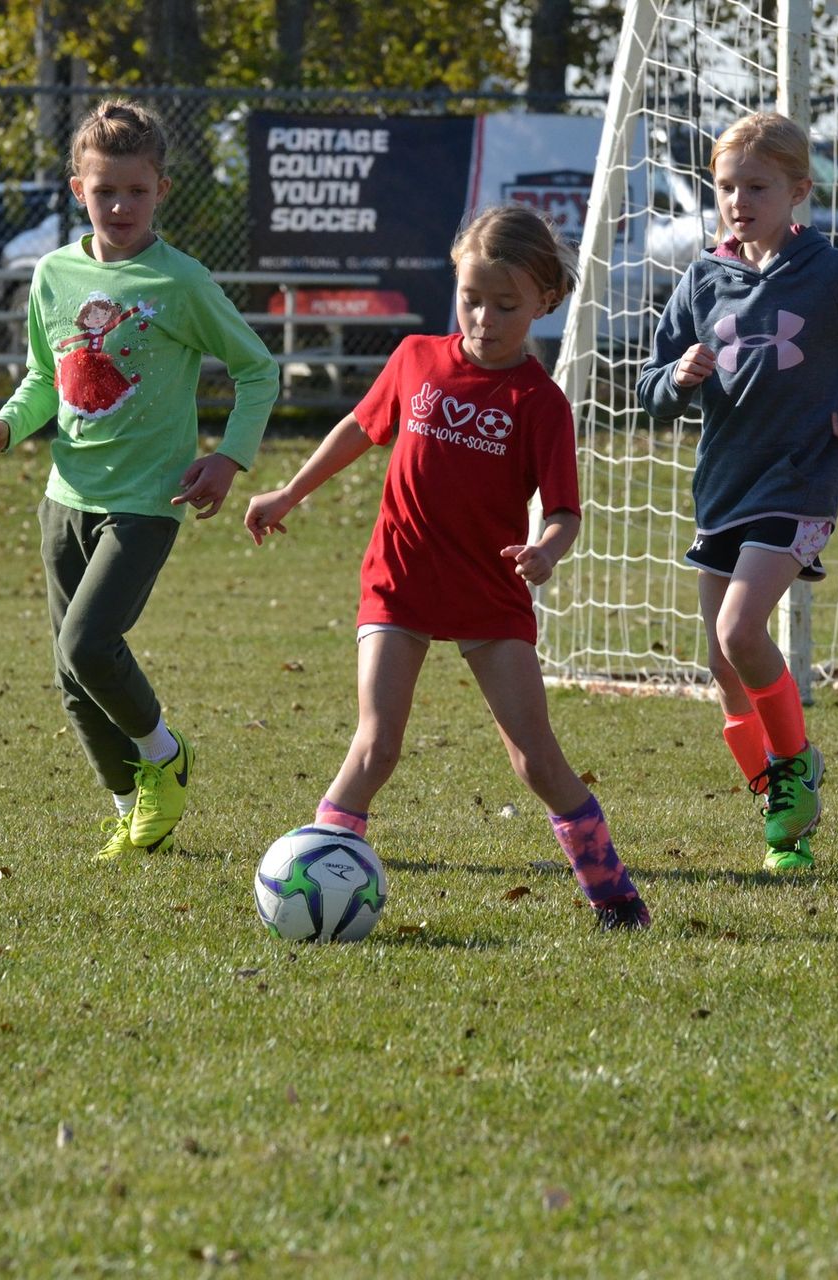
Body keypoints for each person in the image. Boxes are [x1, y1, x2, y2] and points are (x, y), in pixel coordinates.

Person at [243, 205, 651, 931]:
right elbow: (357, 430)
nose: (485, 318)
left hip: (490, 593)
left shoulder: (541, 403)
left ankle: (612, 891)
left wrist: (546, 552)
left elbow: (564, 511)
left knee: (535, 759)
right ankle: (318, 878)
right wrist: (289, 492)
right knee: (378, 743)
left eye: (506, 305)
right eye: (471, 299)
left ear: (543, 303)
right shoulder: (415, 359)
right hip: (398, 581)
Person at [0, 99, 279, 863]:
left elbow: (258, 370)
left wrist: (228, 457)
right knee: (71, 671)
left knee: (90, 643)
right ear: (77, 191)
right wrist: (4, 426)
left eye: (136, 190)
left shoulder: (180, 283)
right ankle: (134, 810)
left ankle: (165, 756)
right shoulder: (53, 275)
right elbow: (43, 378)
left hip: (146, 501)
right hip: (65, 498)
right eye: (105, 192)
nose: (121, 206)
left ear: (161, 189)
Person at [635, 111, 838, 871]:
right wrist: (677, 377)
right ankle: (784, 829)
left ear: (799, 190)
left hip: (798, 487)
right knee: (724, 672)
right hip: (722, 490)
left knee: (740, 632)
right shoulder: (703, 279)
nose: (739, 200)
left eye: (757, 186)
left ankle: (797, 766)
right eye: (726, 186)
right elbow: (648, 387)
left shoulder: (833, 275)